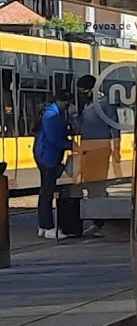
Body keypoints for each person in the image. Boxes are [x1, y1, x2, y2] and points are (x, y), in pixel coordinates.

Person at [74, 74, 118, 237]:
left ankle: (98, 222)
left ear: (92, 89)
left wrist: (116, 149)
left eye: (83, 90)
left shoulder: (104, 104)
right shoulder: (87, 105)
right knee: (90, 184)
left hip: (100, 148)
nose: (81, 94)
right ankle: (96, 219)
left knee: (97, 185)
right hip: (87, 149)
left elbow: (114, 126)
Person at [34, 89, 75, 240]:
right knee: (47, 192)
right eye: (67, 104)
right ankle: (49, 227)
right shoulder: (52, 115)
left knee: (45, 191)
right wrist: (71, 145)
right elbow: (53, 139)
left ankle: (43, 226)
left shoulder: (52, 112)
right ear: (62, 102)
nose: (67, 107)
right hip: (48, 156)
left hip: (46, 155)